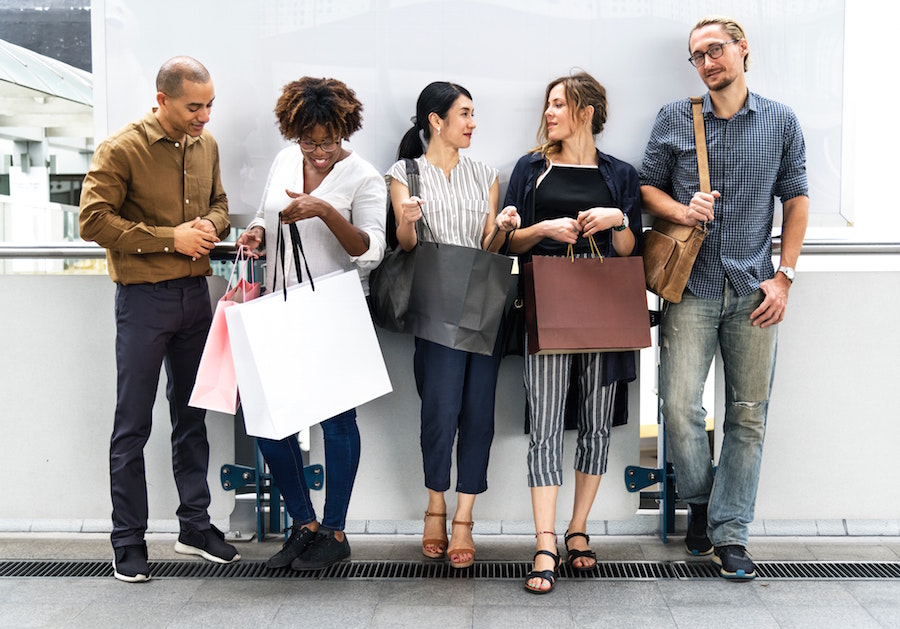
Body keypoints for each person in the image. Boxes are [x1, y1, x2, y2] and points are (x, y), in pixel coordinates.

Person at [639, 16, 809, 580]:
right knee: (679, 407)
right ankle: (702, 502)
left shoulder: (781, 121)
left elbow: (796, 200)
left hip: (755, 287)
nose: (708, 62)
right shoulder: (674, 118)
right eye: (698, 55)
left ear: (742, 51)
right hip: (689, 286)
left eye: (716, 50)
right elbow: (646, 188)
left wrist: (784, 276)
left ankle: (729, 534)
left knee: (748, 415)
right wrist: (683, 210)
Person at [79, 56, 239, 583]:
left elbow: (219, 204)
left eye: (210, 104)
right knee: (133, 424)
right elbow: (93, 221)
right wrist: (173, 236)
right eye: (195, 106)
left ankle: (194, 525)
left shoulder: (206, 146)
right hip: (143, 301)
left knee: (192, 417)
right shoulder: (122, 148)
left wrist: (209, 226)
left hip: (196, 297)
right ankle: (127, 540)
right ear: (163, 99)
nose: (205, 116)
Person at [235, 77, 386, 571]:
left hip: (334, 312)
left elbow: (371, 250)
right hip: (281, 307)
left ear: (345, 130)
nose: (318, 152)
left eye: (328, 142)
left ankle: (335, 530)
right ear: (293, 132)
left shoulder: (364, 176)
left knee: (337, 423)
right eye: (309, 141)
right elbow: (264, 211)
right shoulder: (285, 159)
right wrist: (258, 231)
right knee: (270, 424)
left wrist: (322, 208)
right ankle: (305, 524)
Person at [501, 71, 643, 594]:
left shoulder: (620, 174)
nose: (550, 113)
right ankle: (544, 540)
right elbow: (508, 243)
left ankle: (578, 528)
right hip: (547, 307)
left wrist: (616, 220)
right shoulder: (530, 168)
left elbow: (631, 253)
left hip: (605, 310)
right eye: (548, 104)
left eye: (560, 104)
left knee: (597, 423)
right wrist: (541, 230)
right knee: (543, 423)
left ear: (586, 111)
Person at [387, 81, 511, 569]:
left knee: (478, 412)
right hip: (435, 303)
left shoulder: (485, 173)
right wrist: (409, 220)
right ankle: (435, 505)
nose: (473, 123)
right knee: (439, 409)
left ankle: (464, 517)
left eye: (474, 114)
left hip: (482, 303)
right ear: (436, 120)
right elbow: (407, 244)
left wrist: (502, 226)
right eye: (465, 114)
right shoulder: (405, 173)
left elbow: (489, 245)